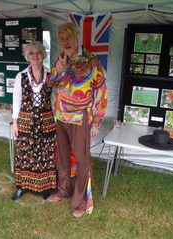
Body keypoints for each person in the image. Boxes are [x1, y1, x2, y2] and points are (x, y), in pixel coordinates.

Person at [46, 22, 108, 218]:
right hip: (60, 115)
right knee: (62, 157)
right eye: (62, 38)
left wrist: (97, 121)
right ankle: (62, 190)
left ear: (77, 37)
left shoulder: (91, 61)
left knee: (82, 161)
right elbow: (50, 82)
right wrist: (59, 68)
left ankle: (80, 202)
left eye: (68, 37)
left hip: (80, 118)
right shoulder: (60, 59)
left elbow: (101, 91)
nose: (65, 41)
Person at [11, 41, 57, 201]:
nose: (35, 55)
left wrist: (56, 118)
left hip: (46, 118)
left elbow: (55, 99)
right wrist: (15, 122)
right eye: (31, 53)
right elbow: (16, 100)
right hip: (26, 119)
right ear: (26, 56)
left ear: (43, 54)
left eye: (38, 52)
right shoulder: (21, 76)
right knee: (24, 153)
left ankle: (45, 187)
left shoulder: (51, 75)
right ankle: (21, 187)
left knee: (45, 153)